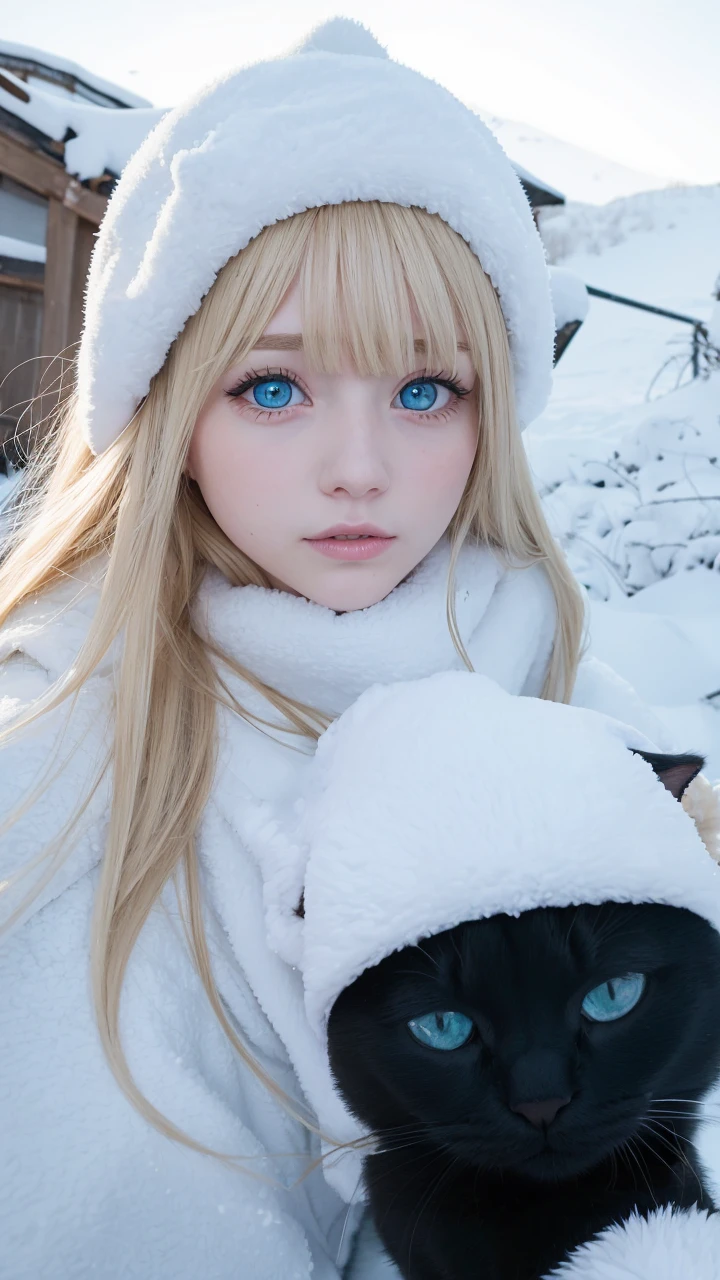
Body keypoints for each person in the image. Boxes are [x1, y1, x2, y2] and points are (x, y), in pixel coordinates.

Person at [0, 17, 666, 1280]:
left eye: (426, 389)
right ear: (167, 405)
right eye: (272, 386)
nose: (359, 469)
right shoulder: (63, 763)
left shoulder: (570, 700)